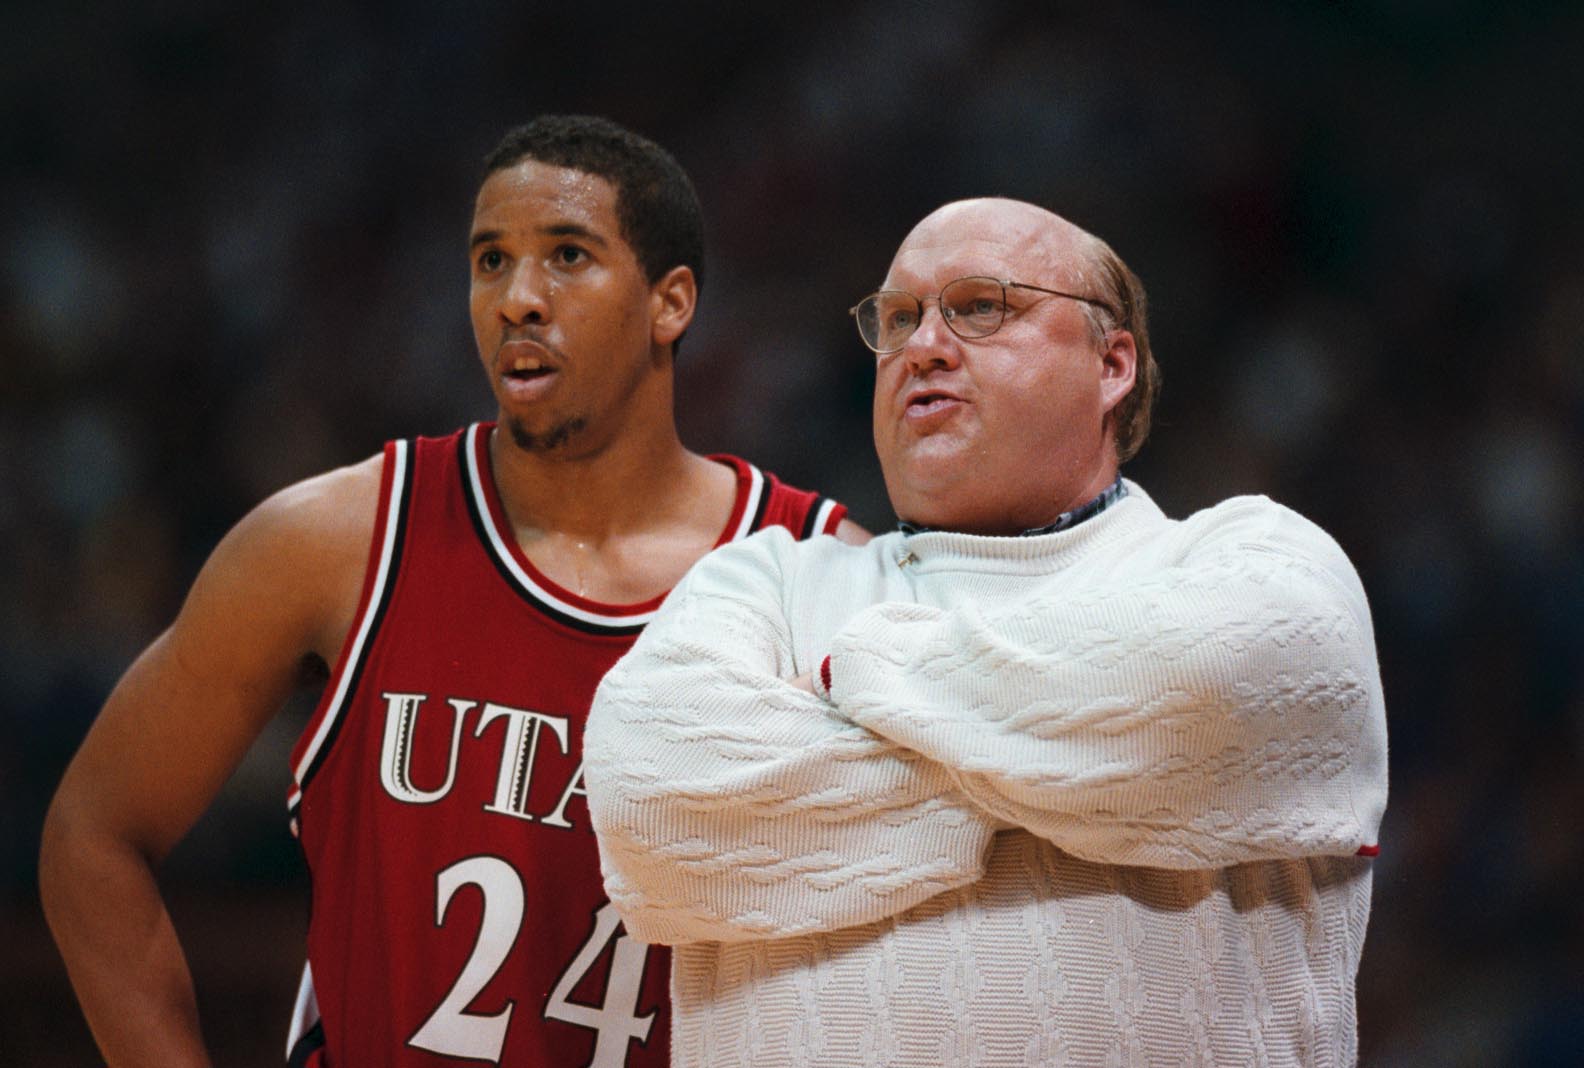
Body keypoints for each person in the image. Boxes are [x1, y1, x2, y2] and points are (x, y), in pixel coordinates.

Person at [39, 114, 864, 1067]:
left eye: (567, 256)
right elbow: (91, 836)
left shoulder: (819, 575)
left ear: (669, 303)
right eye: (489, 261)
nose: (518, 297)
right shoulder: (335, 541)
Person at [584, 197, 1389, 1067]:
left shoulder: (1254, 560)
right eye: (898, 319)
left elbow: (1217, 686)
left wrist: (858, 672)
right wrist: (1073, 773)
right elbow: (646, 801)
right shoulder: (768, 579)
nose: (923, 346)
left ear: (1112, 361)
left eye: (980, 308)